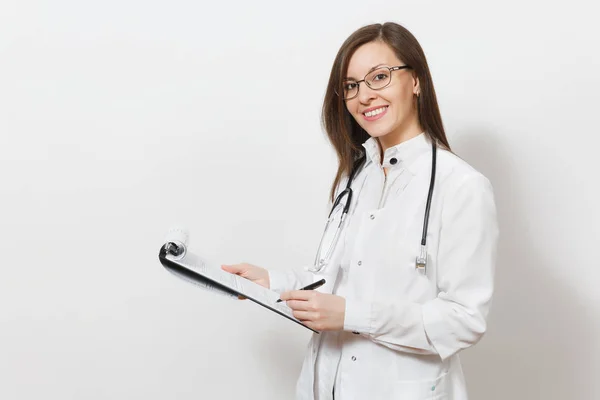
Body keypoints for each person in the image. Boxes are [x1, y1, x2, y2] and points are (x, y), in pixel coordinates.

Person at [222, 21, 498, 400]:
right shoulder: (354, 179)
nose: (363, 96)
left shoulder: (461, 186)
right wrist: (271, 282)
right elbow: (332, 281)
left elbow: (464, 320)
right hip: (324, 386)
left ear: (415, 80)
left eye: (379, 77)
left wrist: (351, 316)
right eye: (351, 86)